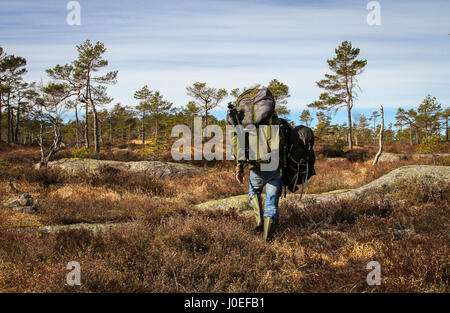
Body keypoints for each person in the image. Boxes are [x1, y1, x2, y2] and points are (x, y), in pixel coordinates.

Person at [234, 114, 286, 242]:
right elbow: (284, 146)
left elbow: (239, 147)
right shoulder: (275, 121)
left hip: (256, 167)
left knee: (254, 191)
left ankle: (259, 221)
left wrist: (239, 169)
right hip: (274, 168)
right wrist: (284, 169)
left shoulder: (247, 124)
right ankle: (267, 240)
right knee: (272, 203)